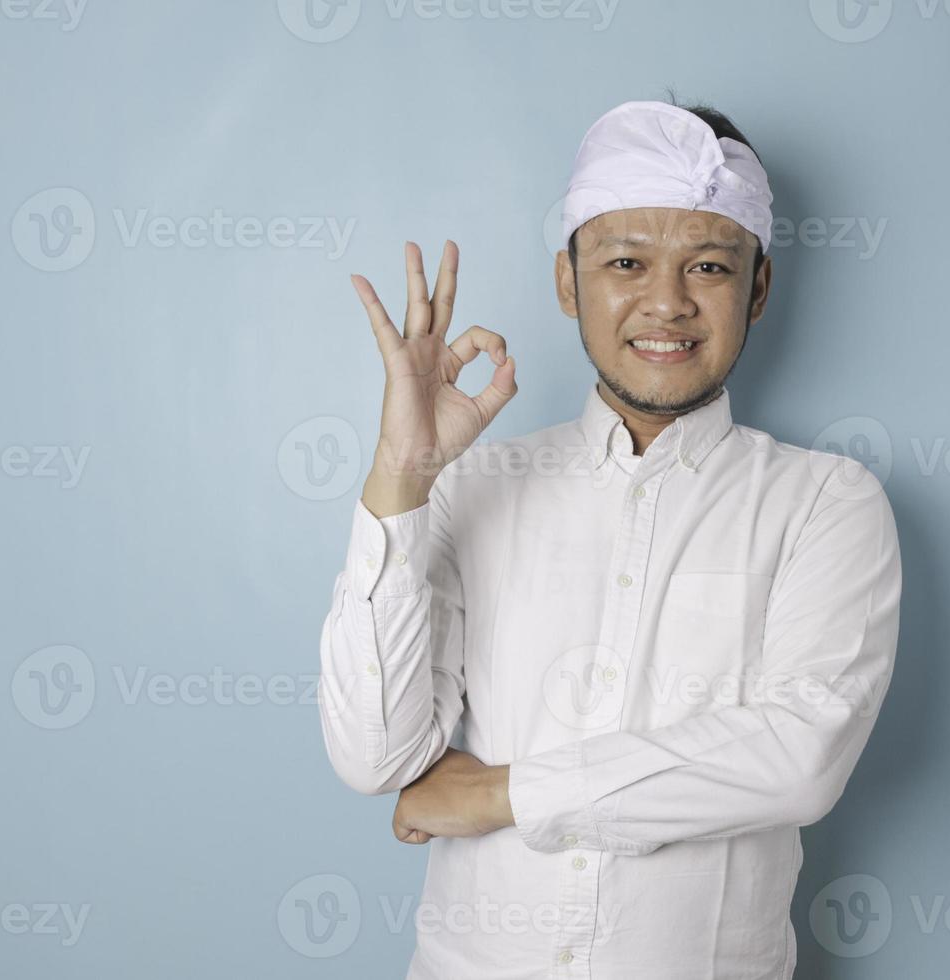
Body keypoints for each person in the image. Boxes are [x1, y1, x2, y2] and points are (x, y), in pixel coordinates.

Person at [317, 97, 903, 980]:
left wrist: (501, 795)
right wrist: (402, 476)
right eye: (626, 261)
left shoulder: (826, 503)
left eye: (708, 265)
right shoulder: (470, 485)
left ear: (759, 286)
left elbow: (798, 759)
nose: (665, 304)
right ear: (568, 281)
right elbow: (376, 756)